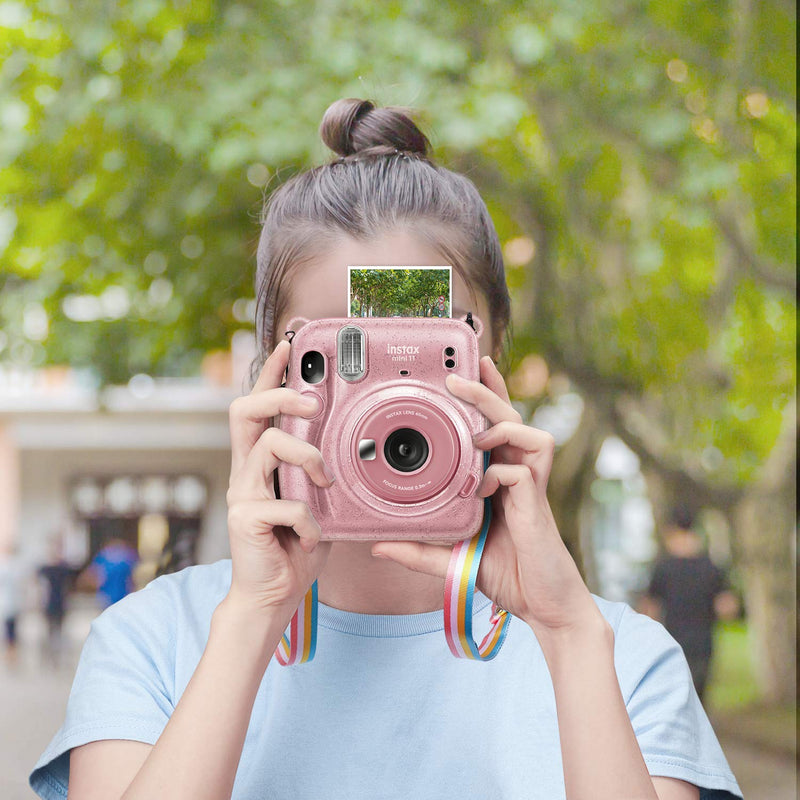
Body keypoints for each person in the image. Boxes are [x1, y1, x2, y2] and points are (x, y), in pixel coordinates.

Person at [30, 99, 743, 800]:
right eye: (342, 355)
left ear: (493, 360)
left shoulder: (618, 656)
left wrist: (567, 636)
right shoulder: (155, 640)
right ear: (272, 370)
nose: (390, 401)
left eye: (432, 353)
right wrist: (253, 618)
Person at [640, 504, 740, 705]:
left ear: (671, 530)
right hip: (703, 645)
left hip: (671, 644)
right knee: (699, 703)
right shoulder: (711, 567)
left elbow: (649, 610)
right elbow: (728, 609)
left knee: (676, 702)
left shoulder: (662, 568)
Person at [38, 537, 81, 668]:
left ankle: (58, 657)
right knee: (50, 630)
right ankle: (51, 657)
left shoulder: (64, 567)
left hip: (61, 602)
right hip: (50, 602)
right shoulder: (46, 568)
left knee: (60, 630)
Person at [79, 536, 140, 609]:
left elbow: (92, 577)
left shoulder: (104, 557)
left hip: (106, 596)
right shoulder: (128, 557)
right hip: (122, 595)